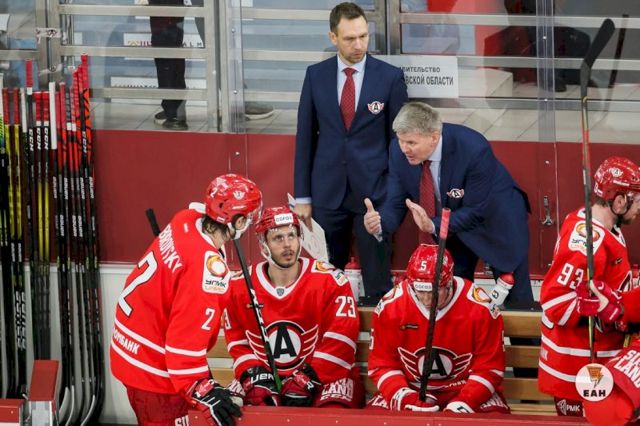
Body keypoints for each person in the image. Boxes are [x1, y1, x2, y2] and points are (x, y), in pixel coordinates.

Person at [110, 174, 262, 426]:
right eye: (248, 216)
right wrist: (199, 388)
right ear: (237, 220)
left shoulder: (186, 219)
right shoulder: (208, 274)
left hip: (131, 346)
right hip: (155, 370)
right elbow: (184, 345)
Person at [363, 101, 533, 308]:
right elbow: (396, 202)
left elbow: (476, 211)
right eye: (401, 140)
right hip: (449, 228)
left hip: (494, 221)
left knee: (518, 302)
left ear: (434, 137)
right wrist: (379, 223)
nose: (404, 148)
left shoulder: (474, 148)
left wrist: (432, 225)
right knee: (452, 301)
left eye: (411, 142)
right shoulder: (398, 152)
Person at [293, 2, 409, 305]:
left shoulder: (390, 77)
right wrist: (303, 196)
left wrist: (392, 194)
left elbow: (399, 143)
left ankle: (380, 332)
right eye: (349, 38)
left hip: (373, 195)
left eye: (363, 36)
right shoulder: (315, 76)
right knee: (325, 280)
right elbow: (305, 138)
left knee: (378, 281)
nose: (358, 45)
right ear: (333, 37)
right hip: (327, 194)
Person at [223, 206, 364, 408]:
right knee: (233, 410)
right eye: (278, 238)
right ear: (263, 245)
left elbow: (342, 339)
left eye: (292, 235)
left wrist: (310, 377)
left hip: (326, 377)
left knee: (332, 413)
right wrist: (254, 375)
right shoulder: (240, 286)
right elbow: (238, 342)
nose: (287, 244)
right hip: (268, 378)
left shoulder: (329, 280)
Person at [537, 156, 640, 416]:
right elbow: (554, 300)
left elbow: (606, 284)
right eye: (637, 200)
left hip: (600, 365)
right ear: (619, 201)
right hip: (578, 371)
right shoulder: (586, 243)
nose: (639, 207)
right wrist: (596, 310)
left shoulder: (606, 226)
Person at [366, 244, 510, 414]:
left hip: (464, 387)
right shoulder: (391, 307)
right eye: (420, 291)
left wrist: (465, 402)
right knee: (373, 418)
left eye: (434, 292)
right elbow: (382, 365)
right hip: (411, 387)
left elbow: (489, 368)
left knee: (492, 419)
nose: (427, 300)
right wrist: (404, 396)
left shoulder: (480, 308)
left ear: (449, 282)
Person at [149, 0, 189, 131]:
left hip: (166, 14)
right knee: (171, 55)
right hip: (169, 13)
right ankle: (173, 109)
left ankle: (174, 114)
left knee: (166, 57)